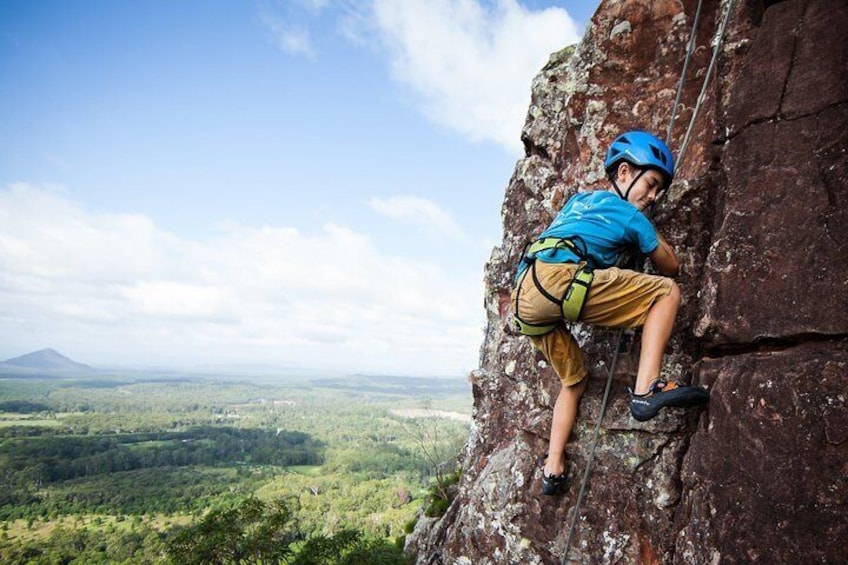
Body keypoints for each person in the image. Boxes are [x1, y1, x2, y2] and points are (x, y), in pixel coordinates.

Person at [510, 131, 709, 496]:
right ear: (622, 172)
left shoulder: (577, 202)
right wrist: (650, 231)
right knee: (666, 293)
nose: (652, 197)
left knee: (574, 381)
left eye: (658, 192)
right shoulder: (628, 214)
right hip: (558, 282)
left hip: (526, 295)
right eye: (650, 184)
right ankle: (647, 388)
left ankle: (553, 466)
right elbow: (670, 266)